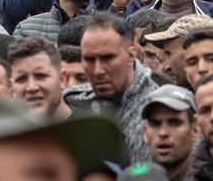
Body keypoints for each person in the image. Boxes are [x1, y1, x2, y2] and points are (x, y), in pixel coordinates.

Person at [60, 13, 158, 162]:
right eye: (89, 59)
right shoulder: (70, 102)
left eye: (108, 58)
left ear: (131, 56)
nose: (98, 70)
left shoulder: (157, 108)